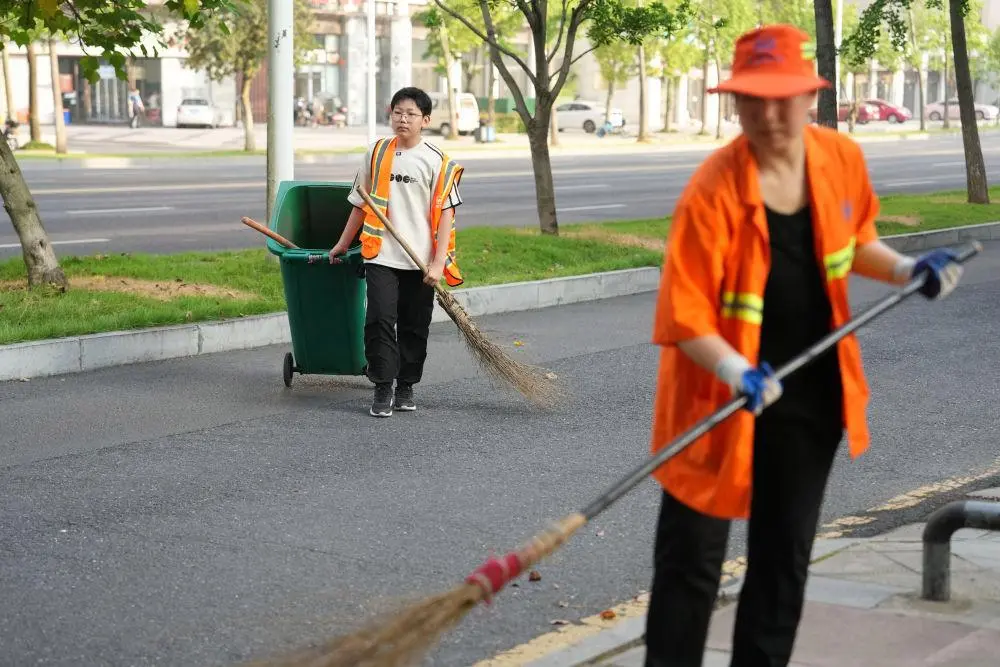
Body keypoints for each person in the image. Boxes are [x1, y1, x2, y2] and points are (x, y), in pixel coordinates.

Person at [644, 24, 965, 667]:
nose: (768, 114)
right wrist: (738, 372)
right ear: (734, 102)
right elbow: (685, 313)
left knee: (783, 560)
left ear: (809, 97)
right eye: (752, 99)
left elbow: (856, 243)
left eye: (782, 97)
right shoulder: (712, 190)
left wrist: (907, 271)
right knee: (691, 566)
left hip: (810, 398)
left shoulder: (839, 160)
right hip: (717, 400)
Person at [328, 86, 464, 418]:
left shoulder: (437, 161)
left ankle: (406, 385)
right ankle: (382, 386)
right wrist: (344, 243)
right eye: (397, 112)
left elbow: (446, 212)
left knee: (415, 324)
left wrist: (437, 261)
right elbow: (361, 204)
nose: (402, 119)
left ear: (426, 120)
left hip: (419, 260)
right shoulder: (376, 153)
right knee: (379, 320)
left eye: (411, 114)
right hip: (381, 254)